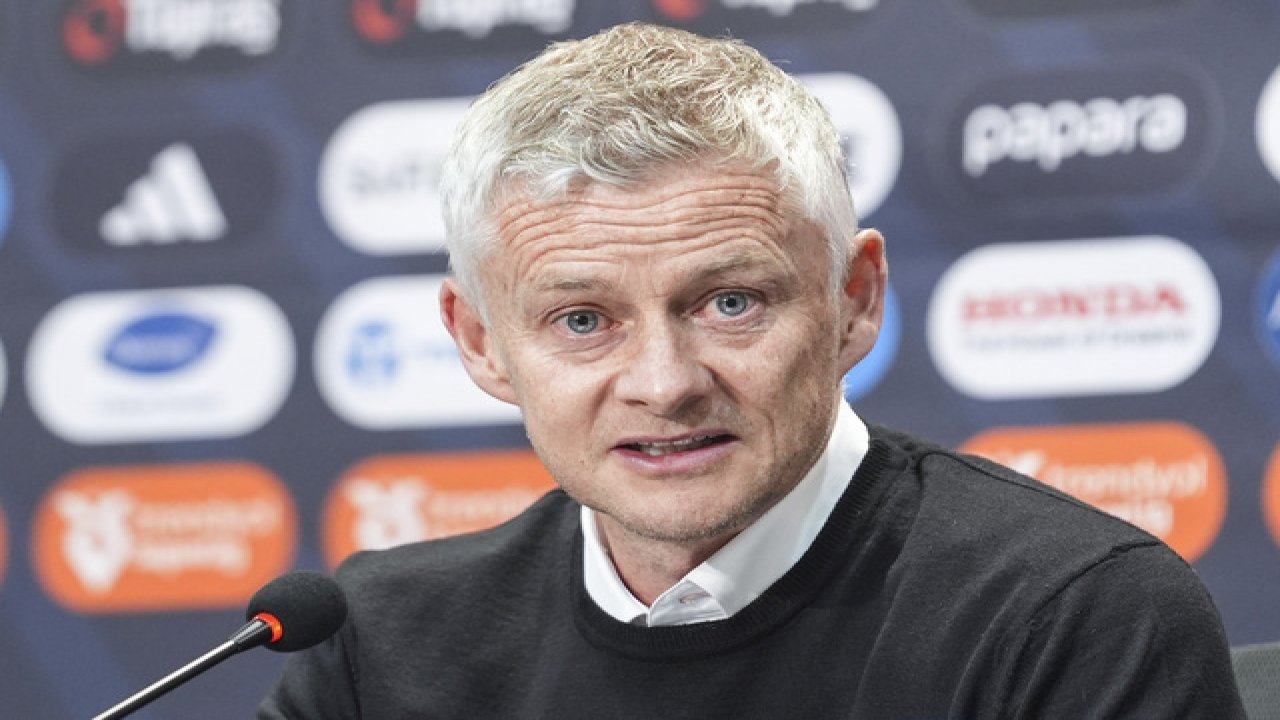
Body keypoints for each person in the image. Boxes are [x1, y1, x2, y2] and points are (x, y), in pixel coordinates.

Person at [261, 22, 1244, 718]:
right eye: (583, 320)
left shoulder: (1069, 614)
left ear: (853, 299)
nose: (664, 383)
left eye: (729, 302)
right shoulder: (377, 642)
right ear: (479, 342)